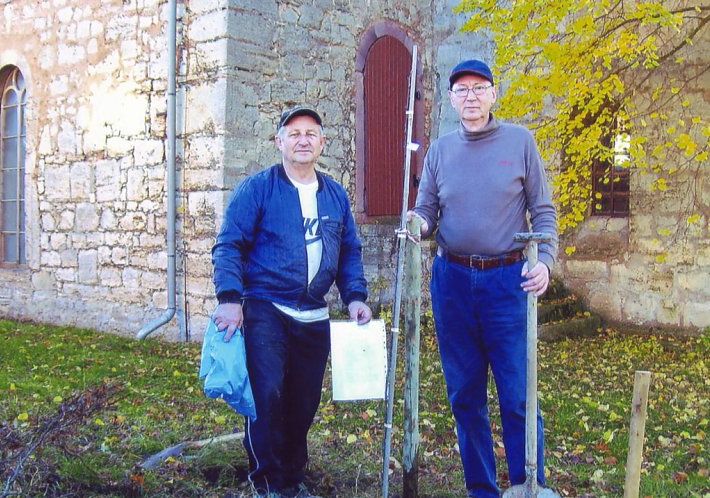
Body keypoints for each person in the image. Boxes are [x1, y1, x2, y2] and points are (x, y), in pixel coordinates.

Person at [409, 59, 558, 497]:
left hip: (508, 283)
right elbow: (427, 212)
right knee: (465, 398)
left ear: (494, 94)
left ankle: (527, 486)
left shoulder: (520, 142)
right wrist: (416, 223)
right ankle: (482, 490)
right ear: (452, 99)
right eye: (461, 90)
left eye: (479, 88)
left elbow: (543, 211)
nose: (470, 96)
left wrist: (545, 260)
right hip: (452, 282)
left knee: (518, 396)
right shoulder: (439, 151)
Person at [211, 105, 373, 498]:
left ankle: (291, 479)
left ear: (322, 143)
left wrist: (354, 297)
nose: (303, 140)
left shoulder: (335, 195)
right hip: (267, 307)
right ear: (279, 141)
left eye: (311, 133)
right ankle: (266, 482)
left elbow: (349, 250)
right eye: (294, 133)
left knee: (303, 402)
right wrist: (230, 298)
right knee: (267, 395)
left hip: (314, 315)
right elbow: (229, 244)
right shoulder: (258, 189)